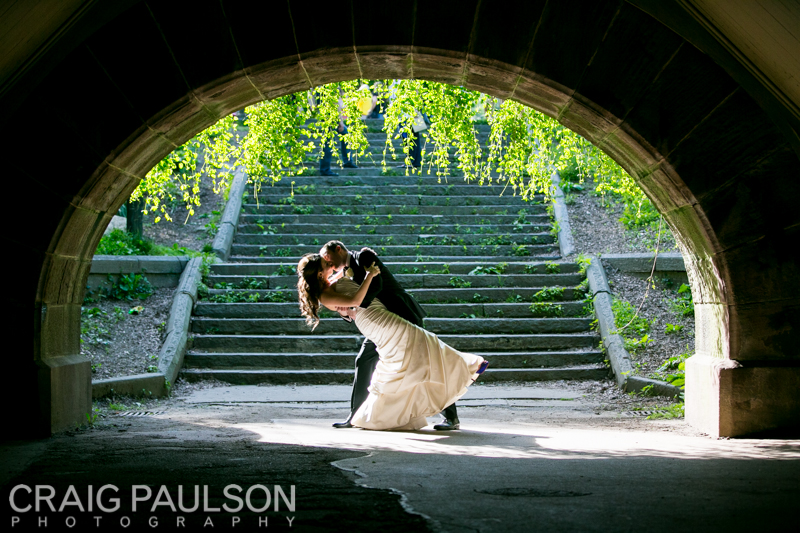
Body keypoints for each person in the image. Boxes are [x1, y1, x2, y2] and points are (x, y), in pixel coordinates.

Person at [296, 243, 487, 431]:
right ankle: (357, 415)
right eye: (325, 262)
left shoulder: (364, 257)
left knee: (425, 360)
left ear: (338, 249)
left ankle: (451, 416)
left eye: (328, 258)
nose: (329, 263)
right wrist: (347, 310)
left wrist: (357, 303)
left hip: (398, 314)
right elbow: (343, 301)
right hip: (377, 322)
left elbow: (377, 286)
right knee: (365, 361)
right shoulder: (341, 272)